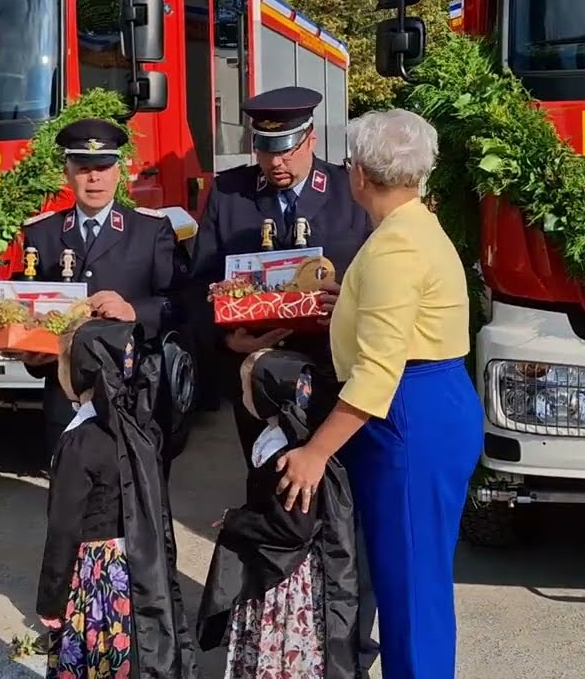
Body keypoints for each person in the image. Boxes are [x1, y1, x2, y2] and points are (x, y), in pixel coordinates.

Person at [275, 108, 484, 679]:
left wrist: (315, 453)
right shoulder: (412, 227)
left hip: (410, 412)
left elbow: (376, 374)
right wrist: (350, 300)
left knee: (411, 588)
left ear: (361, 174)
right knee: (407, 579)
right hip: (424, 400)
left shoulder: (395, 247)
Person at [188, 85, 379, 673]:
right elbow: (196, 288)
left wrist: (347, 301)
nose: (276, 161)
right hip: (260, 384)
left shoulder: (347, 193)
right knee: (275, 506)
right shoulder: (229, 194)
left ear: (311, 139)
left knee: (342, 513)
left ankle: (344, 641)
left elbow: (379, 287)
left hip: (335, 380)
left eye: (288, 148)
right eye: (265, 148)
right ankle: (274, 640)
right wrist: (228, 340)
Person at [13, 117, 184, 463]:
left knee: (137, 491)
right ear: (67, 173)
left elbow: (182, 302)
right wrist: (30, 353)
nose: (94, 178)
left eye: (103, 168)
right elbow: (30, 312)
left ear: (119, 172)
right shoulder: (42, 234)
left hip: (134, 390)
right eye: (84, 168)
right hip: (67, 394)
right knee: (71, 491)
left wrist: (134, 311)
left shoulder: (150, 230)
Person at [37, 318, 198, 679]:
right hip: (139, 567)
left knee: (97, 651)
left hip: (96, 574)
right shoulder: (141, 427)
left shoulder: (79, 442)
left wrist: (50, 599)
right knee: (132, 650)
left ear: (80, 372)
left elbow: (63, 528)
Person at [197, 349, 361, 679]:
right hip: (272, 565)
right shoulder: (281, 438)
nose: (242, 396)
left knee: (284, 642)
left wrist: (236, 521)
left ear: (265, 395)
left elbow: (293, 529)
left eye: (246, 389)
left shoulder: (290, 458)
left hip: (285, 578)